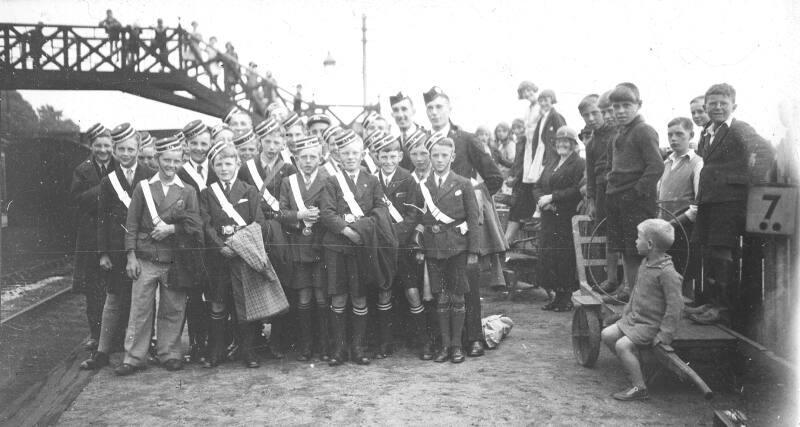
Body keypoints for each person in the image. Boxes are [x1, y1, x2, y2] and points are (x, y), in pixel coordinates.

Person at [423, 86, 504, 357]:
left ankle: (473, 338)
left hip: (463, 229)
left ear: (449, 109)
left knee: (467, 283)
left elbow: (494, 177)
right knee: (441, 291)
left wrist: (472, 201)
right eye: (430, 108)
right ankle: (444, 341)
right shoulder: (424, 141)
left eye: (439, 107)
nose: (434, 112)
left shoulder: (467, 139)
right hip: (436, 232)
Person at [114, 135, 204, 376]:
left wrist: (172, 229)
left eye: (176, 161)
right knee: (139, 310)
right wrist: (130, 256)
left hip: (175, 259)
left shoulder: (188, 190)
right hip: (146, 257)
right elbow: (131, 224)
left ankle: (170, 353)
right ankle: (134, 357)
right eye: (166, 160)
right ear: (157, 159)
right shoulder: (143, 187)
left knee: (173, 308)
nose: (171, 165)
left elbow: (195, 226)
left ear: (181, 161)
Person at [689, 83, 774, 325]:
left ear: (733, 106)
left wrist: (749, 182)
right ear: (706, 106)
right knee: (709, 251)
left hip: (729, 202)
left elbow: (765, 151)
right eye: (713, 103)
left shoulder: (739, 128)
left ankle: (722, 309)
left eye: (723, 103)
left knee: (721, 252)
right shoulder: (708, 132)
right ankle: (711, 302)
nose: (718, 107)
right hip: (710, 201)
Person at [320, 129, 396, 366]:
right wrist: (349, 232)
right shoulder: (331, 181)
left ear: (363, 154)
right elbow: (327, 213)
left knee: (359, 296)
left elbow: (380, 211)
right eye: (345, 153)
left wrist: (362, 229)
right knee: (339, 297)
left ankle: (358, 348)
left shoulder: (372, 181)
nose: (350, 157)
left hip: (362, 247)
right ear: (338, 156)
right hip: (337, 247)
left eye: (354, 153)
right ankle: (339, 349)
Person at [81, 124, 155, 370]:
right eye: (121, 149)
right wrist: (103, 252)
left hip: (144, 246)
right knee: (113, 299)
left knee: (144, 300)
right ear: (114, 150)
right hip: (116, 247)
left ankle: (145, 348)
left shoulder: (150, 174)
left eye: (130, 149)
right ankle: (102, 351)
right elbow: (102, 218)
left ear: (138, 149)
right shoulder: (108, 180)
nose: (126, 154)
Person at [408, 134, 481, 363]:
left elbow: (473, 218)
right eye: (435, 155)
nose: (439, 160)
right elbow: (418, 218)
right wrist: (419, 246)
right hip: (433, 248)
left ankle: (457, 346)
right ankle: (445, 346)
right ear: (430, 157)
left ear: (453, 157)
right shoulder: (423, 186)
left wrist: (473, 251)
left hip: (457, 247)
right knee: (440, 297)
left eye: (444, 155)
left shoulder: (463, 183)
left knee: (457, 297)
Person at [199, 140, 267, 368]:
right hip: (219, 257)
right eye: (219, 164)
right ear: (213, 167)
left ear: (237, 164)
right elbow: (206, 225)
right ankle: (216, 351)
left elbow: (257, 222)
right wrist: (221, 247)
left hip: (243, 256)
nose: (224, 168)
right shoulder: (207, 193)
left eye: (228, 163)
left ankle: (248, 351)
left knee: (244, 304)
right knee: (218, 303)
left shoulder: (249, 190)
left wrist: (238, 246)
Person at [600, 218, 684, 401]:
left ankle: (640, 388)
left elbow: (675, 307)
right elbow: (636, 292)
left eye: (638, 238)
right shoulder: (645, 263)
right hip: (636, 319)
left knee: (622, 345)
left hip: (651, 324)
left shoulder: (667, 273)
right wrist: (626, 312)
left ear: (650, 244)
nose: (635, 242)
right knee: (607, 334)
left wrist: (665, 334)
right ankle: (635, 370)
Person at [602, 83, 664, 304]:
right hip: (617, 198)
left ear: (639, 105)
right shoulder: (618, 134)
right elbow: (611, 167)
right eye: (616, 106)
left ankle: (640, 300)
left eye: (626, 105)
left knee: (637, 250)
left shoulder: (644, 131)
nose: (620, 111)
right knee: (626, 250)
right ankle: (630, 293)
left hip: (636, 202)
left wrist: (635, 193)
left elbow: (656, 166)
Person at [278, 136, 328, 361]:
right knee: (304, 297)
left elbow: (333, 210)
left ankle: (324, 344)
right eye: (303, 157)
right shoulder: (288, 182)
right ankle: (306, 345)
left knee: (321, 296)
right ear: (296, 159)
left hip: (320, 244)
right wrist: (299, 216)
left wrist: (319, 216)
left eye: (312, 157)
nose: (308, 161)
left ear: (320, 158)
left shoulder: (328, 180)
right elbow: (281, 213)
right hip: (298, 245)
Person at [370, 132, 417, 359]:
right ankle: (385, 343)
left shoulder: (408, 179)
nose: (388, 161)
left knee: (412, 292)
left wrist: (394, 237)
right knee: (384, 292)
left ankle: (420, 341)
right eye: (383, 156)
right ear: (376, 157)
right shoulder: (371, 180)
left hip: (403, 245)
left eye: (392, 156)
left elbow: (412, 215)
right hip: (381, 247)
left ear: (400, 156)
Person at [70, 123, 116, 352]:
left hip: (114, 233)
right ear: (91, 146)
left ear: (112, 146)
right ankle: (96, 335)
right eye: (98, 145)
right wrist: (104, 188)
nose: (103, 150)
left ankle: (117, 335)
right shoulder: (82, 170)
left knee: (117, 287)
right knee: (94, 289)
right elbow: (77, 199)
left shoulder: (120, 166)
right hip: (91, 236)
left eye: (107, 145)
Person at [176, 120, 217, 362]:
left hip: (215, 241)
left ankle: (216, 343)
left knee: (216, 294)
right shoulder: (180, 173)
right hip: (192, 243)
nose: (200, 148)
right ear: (186, 145)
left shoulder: (218, 168)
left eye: (204, 143)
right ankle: (196, 344)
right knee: (194, 295)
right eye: (195, 143)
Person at [506, 89, 566, 243]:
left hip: (550, 154)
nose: (543, 103)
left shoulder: (555, 117)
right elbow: (536, 141)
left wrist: (554, 156)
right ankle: (537, 213)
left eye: (546, 100)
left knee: (543, 183)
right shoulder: (542, 118)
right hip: (540, 154)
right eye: (541, 100)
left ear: (552, 100)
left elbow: (562, 135)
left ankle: (540, 213)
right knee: (536, 183)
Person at [537, 126, 586, 311]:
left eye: (566, 141)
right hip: (549, 216)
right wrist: (543, 201)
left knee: (565, 256)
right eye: (559, 141)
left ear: (573, 144)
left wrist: (553, 197)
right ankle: (557, 297)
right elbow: (537, 186)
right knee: (550, 256)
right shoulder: (552, 162)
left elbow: (577, 189)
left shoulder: (579, 163)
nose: (562, 144)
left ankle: (566, 298)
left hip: (566, 216)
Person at [657, 117, 703, 297]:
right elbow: (659, 196)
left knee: (684, 275)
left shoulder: (697, 163)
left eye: (679, 134)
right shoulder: (666, 163)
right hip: (665, 229)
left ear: (691, 135)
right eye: (670, 135)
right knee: (666, 276)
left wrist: (676, 222)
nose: (674, 139)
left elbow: (698, 204)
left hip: (685, 229)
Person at [582, 93, 621, 294]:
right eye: (585, 115)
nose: (591, 119)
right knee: (608, 235)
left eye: (595, 113)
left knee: (626, 236)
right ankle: (611, 279)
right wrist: (591, 201)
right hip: (601, 191)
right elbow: (590, 175)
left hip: (620, 188)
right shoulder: (591, 143)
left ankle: (627, 283)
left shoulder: (619, 133)